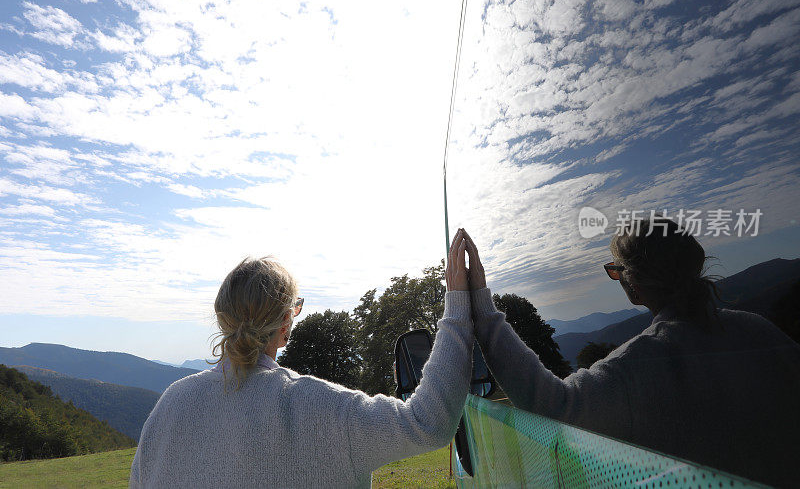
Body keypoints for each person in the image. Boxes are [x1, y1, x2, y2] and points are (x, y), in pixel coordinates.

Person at [460, 221, 800, 488]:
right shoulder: (760, 331)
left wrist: (482, 309)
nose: (615, 277)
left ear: (633, 284)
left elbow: (552, 405)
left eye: (615, 269)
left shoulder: (636, 366)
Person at [130, 229, 475, 489]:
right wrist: (458, 303)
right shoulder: (323, 409)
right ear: (284, 324)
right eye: (295, 307)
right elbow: (430, 423)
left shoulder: (170, 405)